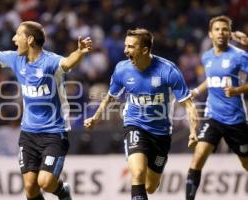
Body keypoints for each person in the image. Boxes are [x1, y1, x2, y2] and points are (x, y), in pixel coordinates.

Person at [0, 21, 92, 200]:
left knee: (45, 182)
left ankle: (63, 191)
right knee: (30, 188)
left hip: (54, 134)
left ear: (30, 39)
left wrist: (79, 52)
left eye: (18, 34)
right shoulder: (17, 59)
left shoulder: (50, 62)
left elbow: (68, 63)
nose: (13, 38)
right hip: (28, 133)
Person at [84, 28, 198, 200]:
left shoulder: (168, 71)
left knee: (151, 187)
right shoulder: (122, 69)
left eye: (131, 47)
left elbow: (189, 105)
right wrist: (95, 117)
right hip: (135, 125)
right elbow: (110, 97)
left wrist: (194, 131)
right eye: (125, 46)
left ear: (144, 50)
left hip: (161, 133)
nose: (125, 51)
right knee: (137, 173)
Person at [186, 15, 248, 200]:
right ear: (210, 34)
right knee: (198, 158)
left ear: (229, 34)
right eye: (217, 29)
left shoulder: (239, 55)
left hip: (235, 120)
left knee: (246, 164)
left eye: (224, 29)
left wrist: (237, 90)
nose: (221, 33)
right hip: (213, 117)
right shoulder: (206, 57)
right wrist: (196, 91)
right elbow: (211, 80)